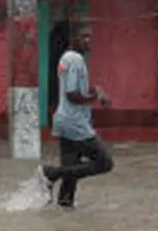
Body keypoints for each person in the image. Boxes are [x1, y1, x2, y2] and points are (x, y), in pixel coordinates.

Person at [41, 23, 115, 208]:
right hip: (75, 123)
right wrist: (96, 97)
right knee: (105, 163)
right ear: (74, 38)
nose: (88, 41)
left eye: (90, 37)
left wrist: (95, 90)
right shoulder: (75, 59)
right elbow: (73, 95)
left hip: (63, 122)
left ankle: (65, 215)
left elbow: (76, 90)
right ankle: (52, 173)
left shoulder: (67, 58)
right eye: (84, 37)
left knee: (71, 174)